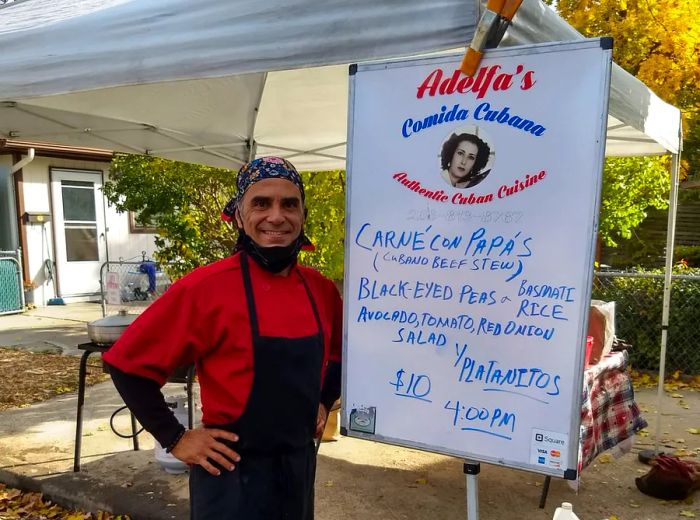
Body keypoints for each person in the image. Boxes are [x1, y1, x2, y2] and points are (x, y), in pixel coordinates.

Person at [103, 156, 343, 520]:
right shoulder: (205, 288)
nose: (276, 216)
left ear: (302, 215)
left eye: (289, 204)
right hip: (230, 476)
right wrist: (176, 438)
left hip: (297, 469)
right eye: (261, 203)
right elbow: (126, 366)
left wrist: (324, 400)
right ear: (239, 215)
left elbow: (342, 356)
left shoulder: (321, 290)